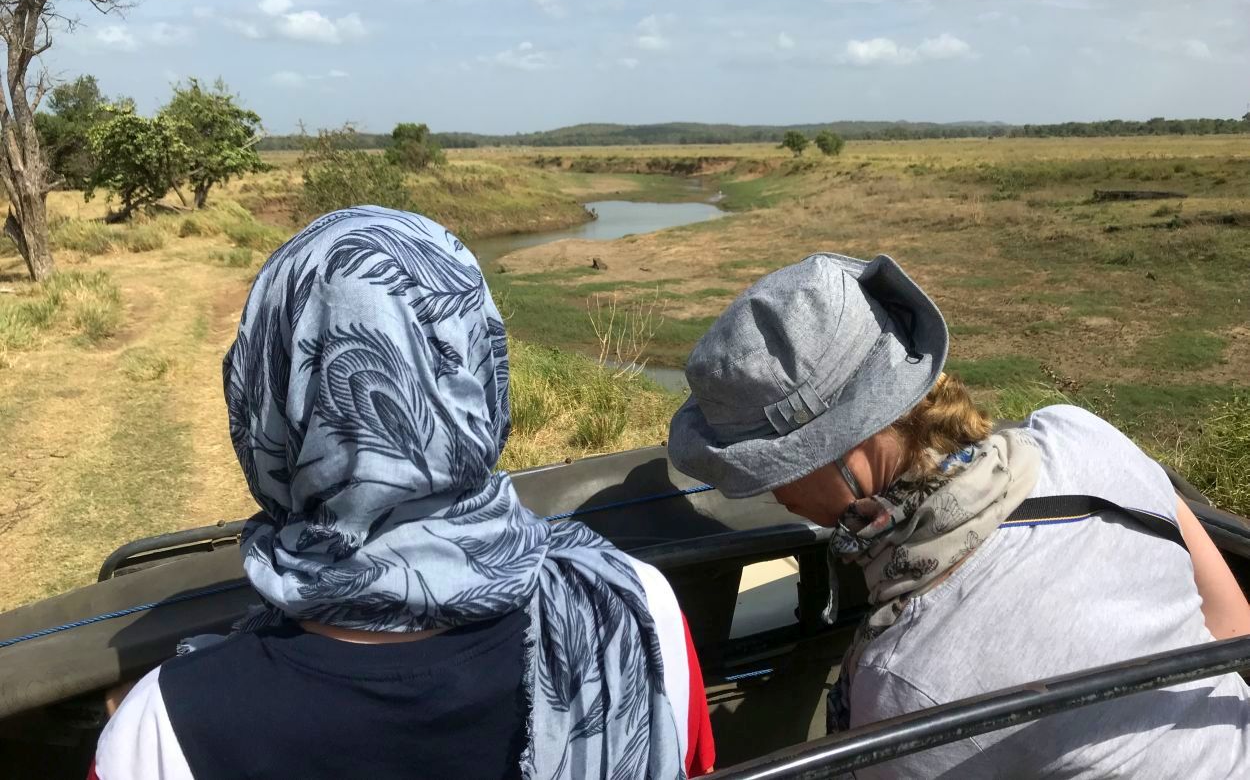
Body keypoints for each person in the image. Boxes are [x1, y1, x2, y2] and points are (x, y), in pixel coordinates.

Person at [91, 206, 715, 780]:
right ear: (480, 376)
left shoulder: (162, 732)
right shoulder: (635, 608)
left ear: (266, 395)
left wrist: (145, 711)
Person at [667, 251, 1250, 778]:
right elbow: (1230, 623)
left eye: (769, 468)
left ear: (847, 446)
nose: (769, 493)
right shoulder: (1084, 436)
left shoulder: (906, 684)